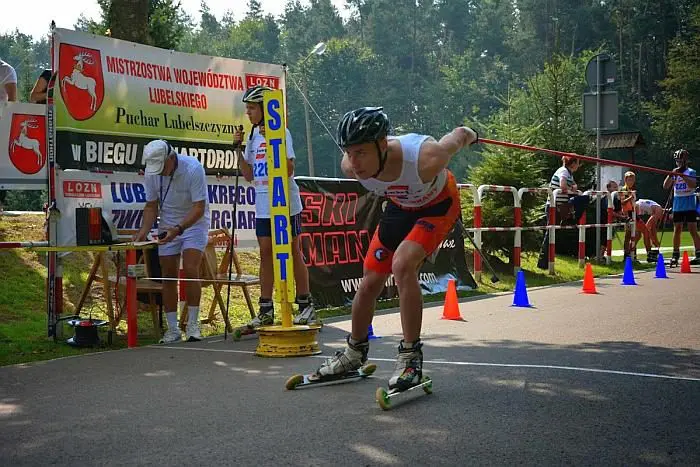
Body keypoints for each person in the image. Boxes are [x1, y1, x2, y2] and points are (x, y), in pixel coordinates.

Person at [308, 106, 477, 391]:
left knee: (402, 264)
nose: (354, 161)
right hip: (401, 206)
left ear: (382, 145)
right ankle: (354, 352)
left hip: (437, 205)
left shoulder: (425, 157)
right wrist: (355, 156)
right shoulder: (350, 167)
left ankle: (411, 357)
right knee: (370, 280)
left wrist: (471, 134)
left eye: (361, 152)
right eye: (349, 152)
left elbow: (458, 136)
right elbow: (357, 164)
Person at [238, 85, 317, 327]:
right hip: (262, 202)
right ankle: (265, 308)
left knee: (291, 251)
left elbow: (289, 168)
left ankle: (305, 304)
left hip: (285, 201)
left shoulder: (281, 132)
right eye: (247, 109)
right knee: (265, 253)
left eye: (252, 108)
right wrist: (237, 151)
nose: (248, 113)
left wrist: (274, 143)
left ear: (264, 108)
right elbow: (249, 174)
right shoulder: (252, 137)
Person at [134, 139, 211, 343]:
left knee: (190, 267)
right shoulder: (152, 173)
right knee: (168, 274)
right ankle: (173, 329)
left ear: (171, 158)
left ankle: (193, 325)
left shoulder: (193, 168)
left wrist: (178, 230)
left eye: (162, 167)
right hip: (167, 224)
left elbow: (199, 208)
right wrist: (143, 231)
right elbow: (151, 206)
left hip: (194, 223)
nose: (160, 172)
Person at [662, 149, 700, 265]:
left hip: (689, 202)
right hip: (678, 203)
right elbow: (665, 186)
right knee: (677, 228)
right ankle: (675, 254)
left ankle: (698, 253)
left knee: (692, 228)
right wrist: (671, 175)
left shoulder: (690, 172)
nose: (679, 163)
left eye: (681, 161)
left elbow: (693, 185)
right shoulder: (674, 172)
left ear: (686, 161)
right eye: (677, 161)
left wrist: (682, 175)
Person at [632, 198, 663, 262]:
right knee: (645, 233)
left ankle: (631, 252)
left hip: (635, 209)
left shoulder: (657, 208)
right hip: (634, 210)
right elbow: (648, 227)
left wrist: (655, 240)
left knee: (638, 235)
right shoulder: (659, 210)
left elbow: (653, 228)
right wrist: (654, 240)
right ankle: (649, 254)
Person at [619, 171, 638, 260]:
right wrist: (631, 197)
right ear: (625, 180)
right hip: (626, 214)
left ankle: (633, 253)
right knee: (628, 234)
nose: (631, 182)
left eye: (632, 180)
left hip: (632, 213)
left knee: (635, 234)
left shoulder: (631, 190)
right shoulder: (623, 189)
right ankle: (626, 254)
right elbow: (622, 202)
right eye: (629, 180)